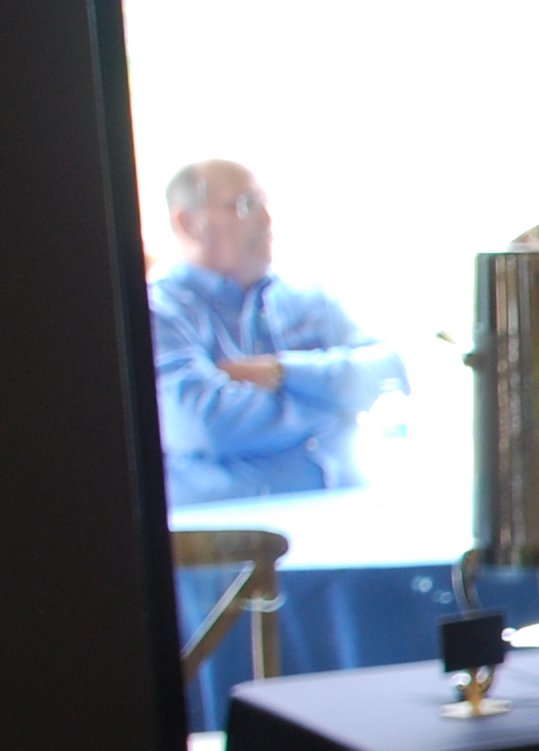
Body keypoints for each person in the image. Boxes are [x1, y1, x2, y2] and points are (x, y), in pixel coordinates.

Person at [145, 160, 404, 504]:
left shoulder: (308, 298)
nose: (266, 219)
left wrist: (281, 372)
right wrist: (335, 405)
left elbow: (390, 373)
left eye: (264, 203)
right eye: (245, 204)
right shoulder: (159, 312)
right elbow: (205, 426)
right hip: (230, 523)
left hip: (348, 504)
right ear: (188, 223)